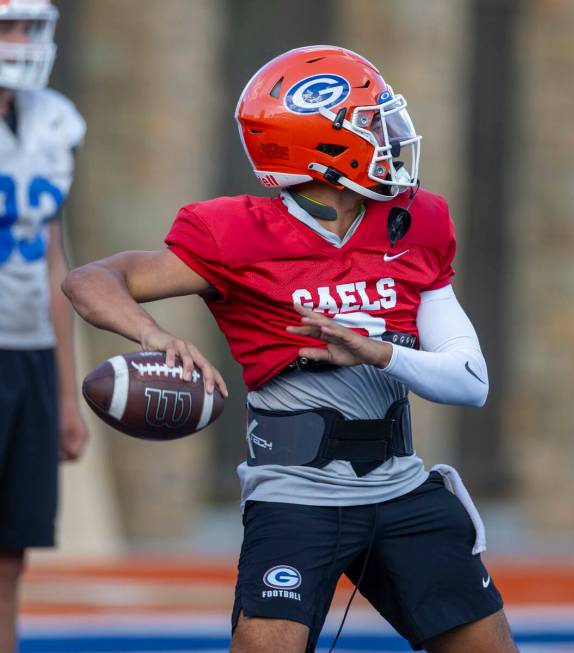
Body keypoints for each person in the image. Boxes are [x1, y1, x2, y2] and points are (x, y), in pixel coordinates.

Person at [63, 46, 518, 653]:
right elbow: (89, 279)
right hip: (296, 494)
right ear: (322, 148)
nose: (391, 135)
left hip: (402, 486)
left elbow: (470, 381)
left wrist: (375, 351)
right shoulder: (234, 233)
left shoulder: (417, 222)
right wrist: (156, 335)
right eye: (371, 122)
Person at [0, 1, 87, 650]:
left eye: (30, 26)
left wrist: (65, 392)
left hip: (29, 352)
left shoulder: (53, 120)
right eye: (10, 26)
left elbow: (56, 260)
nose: (24, 40)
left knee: (11, 552)